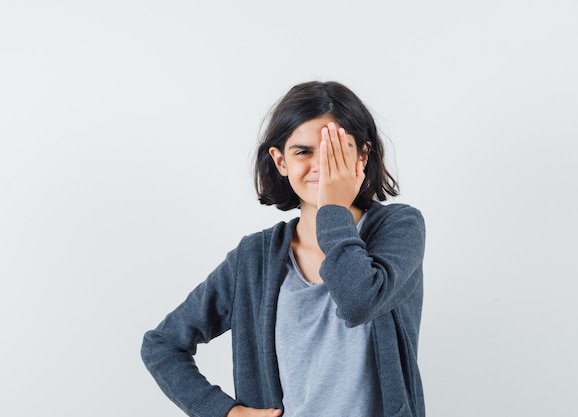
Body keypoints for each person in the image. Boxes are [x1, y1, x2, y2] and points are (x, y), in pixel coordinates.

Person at [141, 80, 426, 417]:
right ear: (280, 161)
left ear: (362, 156)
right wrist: (225, 412)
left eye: (335, 150)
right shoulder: (254, 259)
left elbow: (358, 300)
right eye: (303, 151)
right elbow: (162, 344)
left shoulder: (399, 227)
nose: (321, 166)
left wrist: (331, 211)